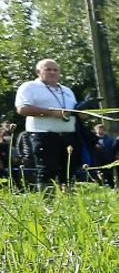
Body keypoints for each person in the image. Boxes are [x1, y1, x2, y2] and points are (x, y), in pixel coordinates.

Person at [14, 59, 79, 190]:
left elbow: (73, 111)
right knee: (48, 168)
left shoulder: (66, 90)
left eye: (55, 70)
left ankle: (68, 202)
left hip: (68, 134)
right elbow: (22, 109)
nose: (52, 72)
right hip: (43, 134)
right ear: (38, 72)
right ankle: (47, 204)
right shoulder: (29, 87)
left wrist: (82, 114)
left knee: (68, 169)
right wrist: (51, 113)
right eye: (48, 69)